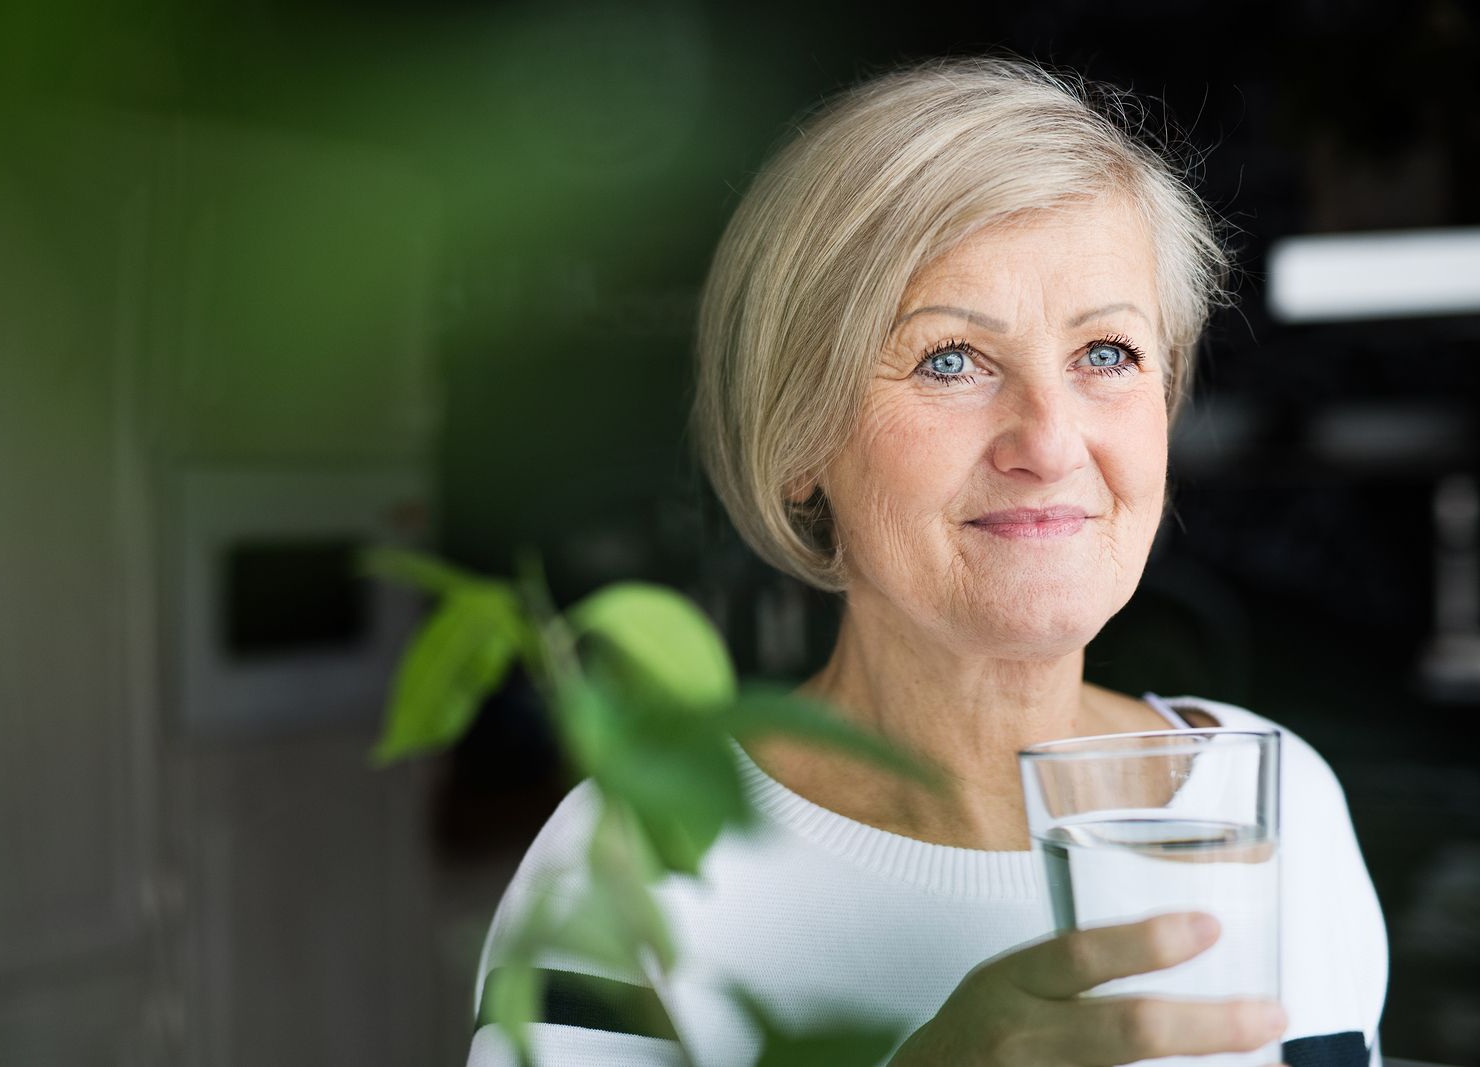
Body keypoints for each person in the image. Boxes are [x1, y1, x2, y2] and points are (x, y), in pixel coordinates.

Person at [467, 56, 1388, 1066]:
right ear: (799, 441)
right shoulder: (630, 861)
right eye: (950, 359)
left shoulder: (1272, 804)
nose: (1047, 440)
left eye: (1106, 354)